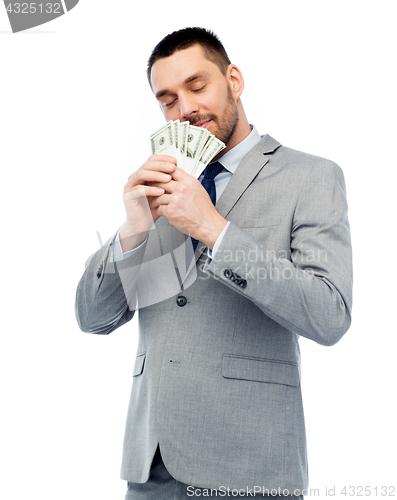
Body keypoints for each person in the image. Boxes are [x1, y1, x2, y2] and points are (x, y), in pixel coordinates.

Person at [75, 27, 353, 499]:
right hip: (150, 466)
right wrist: (134, 229)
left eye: (197, 86)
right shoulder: (162, 185)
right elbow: (93, 319)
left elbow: (329, 316)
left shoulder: (312, 177)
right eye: (167, 100)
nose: (184, 109)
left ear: (234, 80)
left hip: (250, 466)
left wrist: (214, 230)